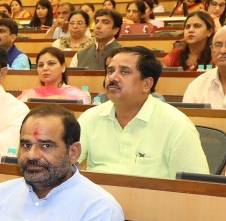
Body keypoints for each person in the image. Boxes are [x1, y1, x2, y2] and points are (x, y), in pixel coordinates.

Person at [78, 46, 206, 178]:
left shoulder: (177, 125)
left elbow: (196, 187)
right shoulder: (90, 118)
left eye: (124, 72)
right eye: (110, 71)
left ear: (146, 84)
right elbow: (66, 164)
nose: (112, 77)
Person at [21, 47, 87, 103]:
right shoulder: (30, 94)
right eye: (41, 65)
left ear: (63, 67)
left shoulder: (77, 94)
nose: (45, 68)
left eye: (51, 63)